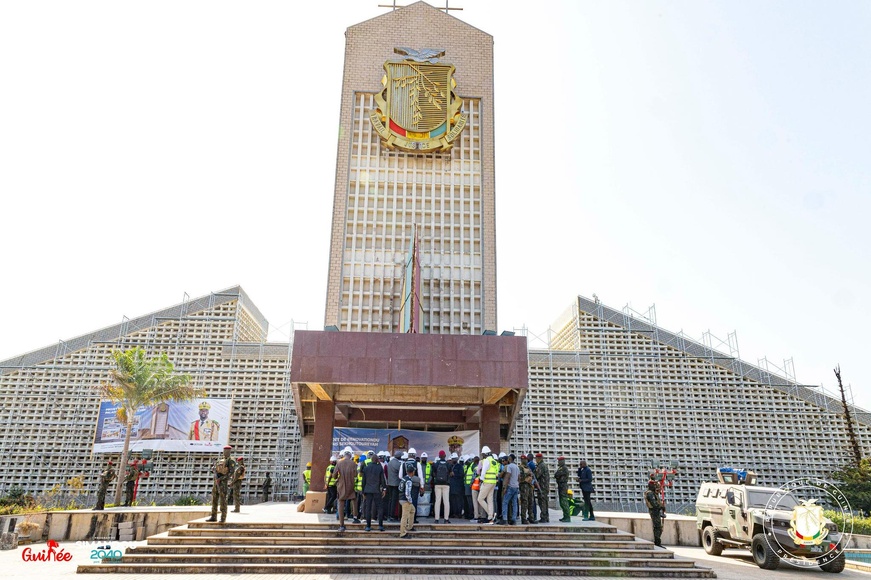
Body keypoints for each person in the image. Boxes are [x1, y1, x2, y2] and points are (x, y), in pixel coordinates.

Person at [331, 447, 359, 532]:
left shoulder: (339, 463)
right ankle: (355, 518)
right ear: (350, 455)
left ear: (344, 455)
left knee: (341, 504)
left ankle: (342, 525)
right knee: (354, 500)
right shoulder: (353, 464)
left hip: (341, 486)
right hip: (351, 485)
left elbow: (334, 476)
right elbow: (355, 475)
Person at [206, 445, 236, 522]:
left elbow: (231, 473)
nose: (225, 452)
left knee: (223, 500)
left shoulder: (231, 461)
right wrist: (213, 469)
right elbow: (217, 470)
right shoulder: (220, 460)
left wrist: (221, 479)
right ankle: (213, 516)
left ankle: (223, 517)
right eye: (224, 450)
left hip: (223, 482)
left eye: (226, 450)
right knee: (214, 499)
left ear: (229, 451)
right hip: (216, 482)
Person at [361, 452, 387, 531]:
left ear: (371, 460)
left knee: (368, 508)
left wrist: (363, 492)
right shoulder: (379, 468)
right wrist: (384, 489)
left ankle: (368, 526)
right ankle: (380, 525)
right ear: (377, 460)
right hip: (377, 490)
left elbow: (363, 481)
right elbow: (383, 480)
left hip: (368, 491)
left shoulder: (366, 468)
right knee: (379, 508)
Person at [476, 446, 499, 523]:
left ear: (485, 454)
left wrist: (481, 480)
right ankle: (490, 517)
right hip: (493, 482)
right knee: (490, 499)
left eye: (483, 454)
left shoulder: (486, 460)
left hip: (487, 482)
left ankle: (490, 514)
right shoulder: (494, 461)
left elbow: (483, 472)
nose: (482, 455)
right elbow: (496, 473)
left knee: (480, 499)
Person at [398, 459, 419, 538]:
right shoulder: (409, 481)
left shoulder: (403, 478)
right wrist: (410, 500)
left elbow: (399, 488)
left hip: (401, 498)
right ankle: (402, 533)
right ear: (412, 472)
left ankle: (410, 526)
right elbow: (407, 492)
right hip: (405, 500)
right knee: (405, 516)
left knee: (412, 510)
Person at [500, 454, 520, 525]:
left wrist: (505, 487)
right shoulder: (517, 467)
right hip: (516, 487)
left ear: (509, 459)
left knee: (505, 502)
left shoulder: (509, 466)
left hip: (510, 487)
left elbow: (507, 476)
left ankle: (504, 519)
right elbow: (519, 477)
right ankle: (513, 520)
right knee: (514, 504)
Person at [431, 450, 450, 523]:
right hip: (446, 485)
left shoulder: (436, 464)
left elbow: (433, 473)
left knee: (437, 501)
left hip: (437, 484)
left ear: (439, 456)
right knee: (446, 501)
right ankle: (446, 519)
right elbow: (451, 473)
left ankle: (436, 519)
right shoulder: (448, 464)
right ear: (445, 456)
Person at [645, 480, 665, 547]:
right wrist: (661, 506)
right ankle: (657, 542)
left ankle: (658, 541)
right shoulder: (650, 493)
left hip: (656, 511)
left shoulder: (653, 493)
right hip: (654, 511)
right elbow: (654, 504)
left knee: (659, 527)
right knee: (657, 527)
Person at [518, 454, 535, 524]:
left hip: (529, 486)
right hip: (524, 486)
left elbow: (532, 475)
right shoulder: (520, 467)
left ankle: (531, 517)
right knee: (524, 502)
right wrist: (527, 474)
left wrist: (531, 476)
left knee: (531, 502)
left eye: (525, 459)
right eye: (522, 459)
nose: (524, 460)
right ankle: (523, 518)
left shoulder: (528, 467)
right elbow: (520, 478)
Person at [386, 450, 402, 521]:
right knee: (394, 500)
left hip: (390, 483)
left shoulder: (390, 462)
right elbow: (401, 473)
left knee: (390, 500)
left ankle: (388, 514)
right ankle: (392, 515)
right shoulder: (398, 464)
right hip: (395, 484)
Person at [534, 452, 550, 523]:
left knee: (542, 502)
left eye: (536, 458)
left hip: (542, 487)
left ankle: (543, 517)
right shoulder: (544, 465)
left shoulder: (541, 466)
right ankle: (546, 517)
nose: (536, 460)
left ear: (539, 458)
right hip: (545, 486)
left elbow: (536, 475)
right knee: (545, 502)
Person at [554, 456, 571, 522]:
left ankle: (567, 517)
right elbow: (556, 475)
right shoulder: (560, 468)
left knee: (564, 501)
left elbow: (557, 474)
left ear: (562, 461)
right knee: (562, 502)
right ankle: (565, 516)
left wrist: (557, 475)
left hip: (563, 485)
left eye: (559, 461)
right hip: (560, 485)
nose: (558, 462)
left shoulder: (564, 468)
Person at [448, 453, 464, 520]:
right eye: (452, 459)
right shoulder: (450, 466)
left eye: (454, 459)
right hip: (452, 486)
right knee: (453, 500)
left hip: (458, 486)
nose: (453, 460)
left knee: (458, 500)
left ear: (457, 459)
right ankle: (454, 513)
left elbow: (461, 475)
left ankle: (459, 513)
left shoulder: (459, 466)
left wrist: (454, 474)